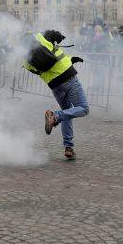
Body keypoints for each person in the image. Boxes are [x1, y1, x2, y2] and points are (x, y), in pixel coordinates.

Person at [24, 30, 88, 159]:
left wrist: (70, 60)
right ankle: (55, 116)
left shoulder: (25, 61)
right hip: (69, 78)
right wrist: (59, 38)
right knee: (83, 109)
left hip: (55, 86)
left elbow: (44, 68)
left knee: (67, 112)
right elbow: (55, 37)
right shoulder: (41, 38)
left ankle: (68, 147)